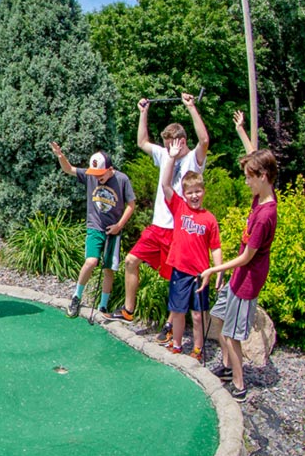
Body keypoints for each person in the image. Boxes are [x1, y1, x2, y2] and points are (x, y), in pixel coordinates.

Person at [104, 92, 209, 338]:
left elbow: (204, 140)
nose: (169, 147)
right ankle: (129, 310)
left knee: (177, 278)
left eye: (173, 142)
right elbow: (142, 142)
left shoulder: (194, 158)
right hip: (157, 226)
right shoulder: (163, 154)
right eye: (167, 142)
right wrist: (143, 113)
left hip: (180, 229)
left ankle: (171, 325)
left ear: (182, 141)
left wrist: (191, 108)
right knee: (131, 260)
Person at [197, 112, 278, 403]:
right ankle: (230, 367)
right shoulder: (262, 195)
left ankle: (239, 386)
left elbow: (246, 258)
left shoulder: (265, 216)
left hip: (247, 281)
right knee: (219, 317)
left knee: (231, 335)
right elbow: (253, 157)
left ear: (263, 177)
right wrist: (241, 130)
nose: (246, 183)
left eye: (249, 179)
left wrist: (212, 269)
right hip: (239, 277)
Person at [50, 143, 136, 318]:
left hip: (113, 230)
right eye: (95, 175)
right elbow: (69, 169)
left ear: (110, 170)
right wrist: (60, 156)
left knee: (108, 269)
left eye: (101, 175)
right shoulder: (91, 176)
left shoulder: (122, 180)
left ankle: (103, 306)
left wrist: (119, 226)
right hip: (95, 227)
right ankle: (76, 297)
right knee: (91, 262)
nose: (97, 178)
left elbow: (131, 205)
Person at [159, 140, 222, 361]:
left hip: (200, 275)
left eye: (198, 192)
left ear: (203, 192)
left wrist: (218, 271)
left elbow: (215, 247)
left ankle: (197, 349)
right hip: (180, 270)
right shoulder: (179, 207)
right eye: (190, 192)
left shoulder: (209, 219)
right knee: (177, 311)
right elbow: (166, 185)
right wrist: (172, 158)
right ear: (184, 194)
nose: (194, 196)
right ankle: (176, 345)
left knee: (197, 315)